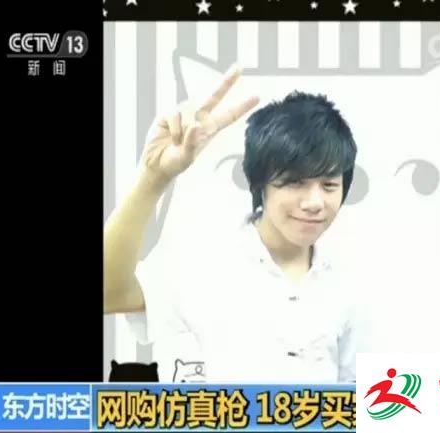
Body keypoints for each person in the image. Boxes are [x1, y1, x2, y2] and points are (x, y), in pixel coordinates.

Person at [104, 65, 361, 383]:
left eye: (329, 185)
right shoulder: (200, 260)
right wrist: (153, 176)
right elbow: (108, 292)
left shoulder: (351, 282)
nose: (314, 202)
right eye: (295, 182)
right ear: (260, 184)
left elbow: (366, 398)